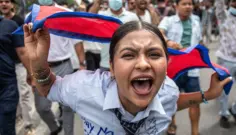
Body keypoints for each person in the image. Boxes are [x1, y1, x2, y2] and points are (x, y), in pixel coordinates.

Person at [23, 20, 231, 135]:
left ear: (166, 64)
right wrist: (38, 62)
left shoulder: (168, 89)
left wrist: (208, 94)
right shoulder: (84, 87)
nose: (142, 64)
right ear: (112, 67)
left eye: (154, 54)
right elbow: (48, 88)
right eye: (129, 55)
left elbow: (171, 102)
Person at [32, 1, 86, 135]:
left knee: (67, 107)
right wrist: (31, 73)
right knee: (42, 107)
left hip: (64, 66)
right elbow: (29, 47)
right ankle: (54, 128)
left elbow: (77, 41)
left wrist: (82, 64)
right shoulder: (32, 15)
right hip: (42, 69)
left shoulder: (65, 13)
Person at [158, 0, 203, 135]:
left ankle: (195, 132)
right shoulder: (169, 20)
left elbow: (198, 40)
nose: (188, 6)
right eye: (184, 3)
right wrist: (168, 42)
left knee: (195, 101)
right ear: (176, 6)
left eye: (190, 4)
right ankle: (172, 124)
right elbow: (159, 32)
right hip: (173, 69)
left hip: (192, 69)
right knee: (171, 99)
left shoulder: (196, 20)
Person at [0, 0, 35, 134]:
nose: (3, 4)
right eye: (1, 2)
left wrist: (31, 73)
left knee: (24, 94)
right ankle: (17, 116)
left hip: (17, 66)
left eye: (7, 1)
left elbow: (23, 49)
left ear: (12, 5)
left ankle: (28, 124)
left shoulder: (16, 22)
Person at [89, 0, 139, 71]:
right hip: (106, 63)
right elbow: (89, 20)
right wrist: (97, 2)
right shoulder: (102, 16)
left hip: (127, 62)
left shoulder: (132, 17)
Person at [214, 0, 236, 129]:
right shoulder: (223, 16)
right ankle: (224, 115)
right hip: (226, 60)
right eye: (234, 0)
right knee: (225, 90)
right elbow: (219, 5)